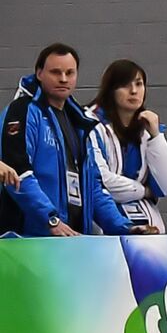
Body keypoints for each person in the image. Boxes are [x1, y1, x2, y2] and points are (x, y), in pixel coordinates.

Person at [0, 43, 143, 237]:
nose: (63, 79)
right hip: (28, 241)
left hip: (72, 240)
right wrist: (50, 220)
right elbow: (18, 174)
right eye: (56, 72)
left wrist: (123, 227)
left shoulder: (80, 122)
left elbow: (94, 187)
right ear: (39, 73)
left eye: (70, 72)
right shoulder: (22, 112)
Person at [87, 59, 167, 233]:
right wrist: (144, 191)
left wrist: (156, 137)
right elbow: (102, 181)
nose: (134, 91)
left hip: (151, 230)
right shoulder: (90, 124)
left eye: (139, 84)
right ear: (111, 89)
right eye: (125, 85)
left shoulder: (147, 129)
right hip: (105, 231)